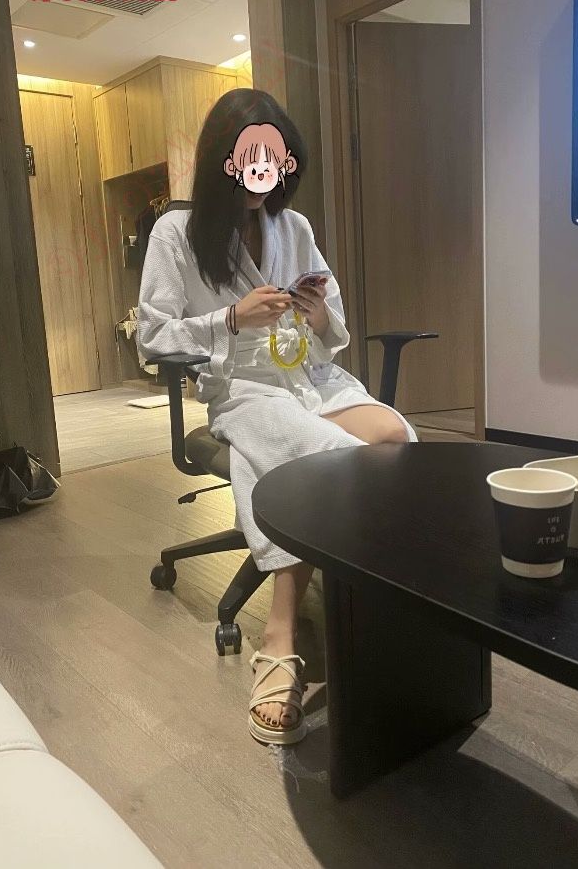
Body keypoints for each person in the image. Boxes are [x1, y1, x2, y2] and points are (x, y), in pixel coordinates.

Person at [137, 88, 417, 746]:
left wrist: (318, 315)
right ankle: (281, 632)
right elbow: (153, 336)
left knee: (397, 439)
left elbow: (333, 323)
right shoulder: (175, 234)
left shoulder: (295, 228)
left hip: (310, 377)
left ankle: (374, 596)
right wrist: (230, 318)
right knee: (326, 457)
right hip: (246, 389)